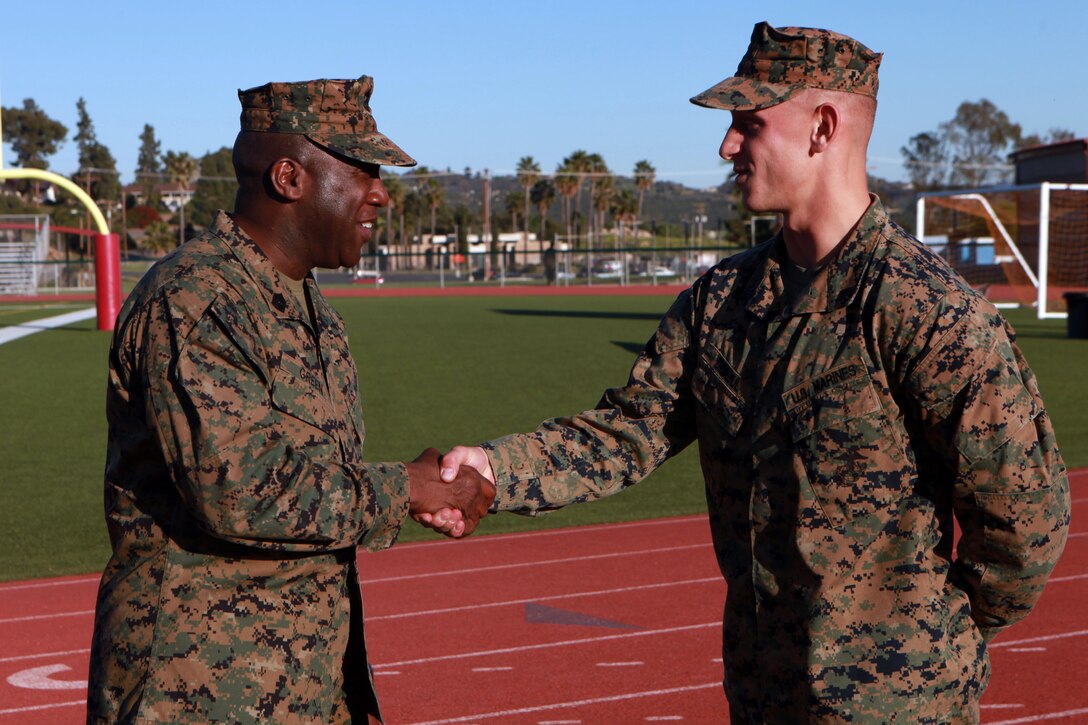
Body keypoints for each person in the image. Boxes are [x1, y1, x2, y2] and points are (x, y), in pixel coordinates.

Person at [435, 23, 1071, 723]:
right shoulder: (720, 303)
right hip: (762, 695)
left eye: (749, 124)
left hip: (895, 707)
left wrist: (929, 634)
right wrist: (494, 466)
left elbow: (1024, 520)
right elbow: (625, 432)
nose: (727, 147)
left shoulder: (924, 309)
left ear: (822, 128)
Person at [87, 76, 494, 724]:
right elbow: (240, 491)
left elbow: (302, 473)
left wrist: (412, 482)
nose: (381, 192)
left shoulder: (309, 310)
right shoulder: (198, 299)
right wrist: (407, 488)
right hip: (194, 694)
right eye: (362, 169)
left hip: (305, 684)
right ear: (288, 177)